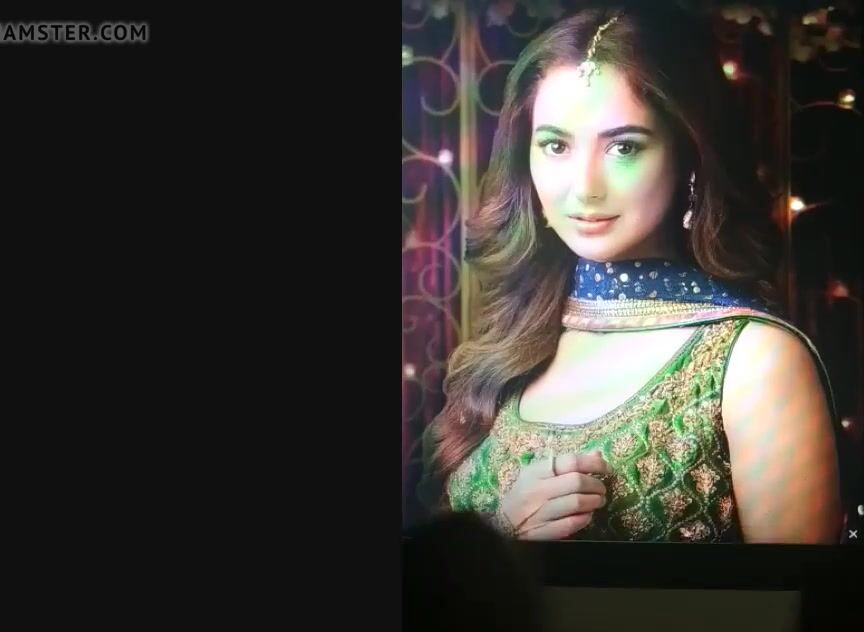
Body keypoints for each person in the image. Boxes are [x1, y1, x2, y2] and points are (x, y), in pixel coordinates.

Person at [419, 4, 842, 543]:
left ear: (690, 157)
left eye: (624, 147)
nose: (584, 186)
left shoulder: (755, 361)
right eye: (555, 145)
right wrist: (502, 534)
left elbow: (797, 593)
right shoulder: (512, 337)